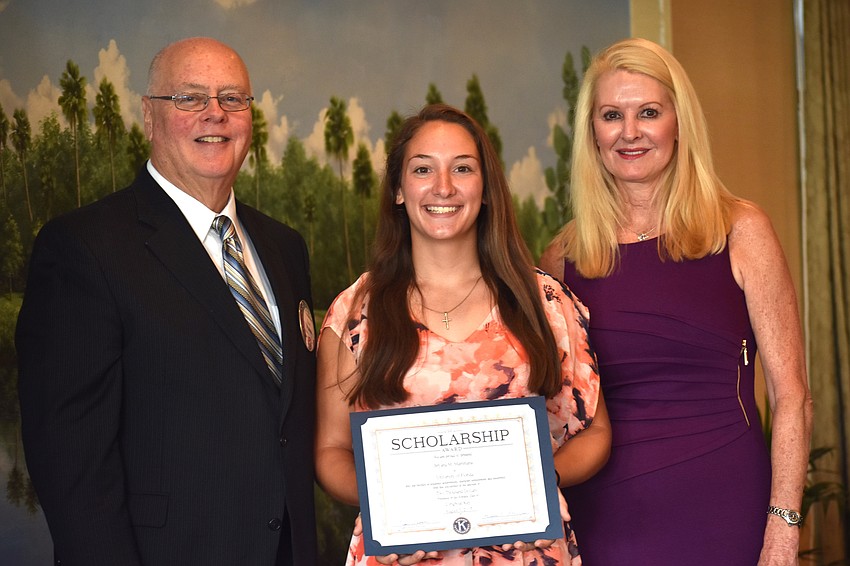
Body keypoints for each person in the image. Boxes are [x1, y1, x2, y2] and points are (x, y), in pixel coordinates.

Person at [16, 37, 318, 566]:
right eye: (189, 99)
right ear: (148, 117)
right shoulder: (84, 247)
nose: (215, 114)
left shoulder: (284, 247)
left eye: (233, 98)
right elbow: (71, 465)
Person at [539, 37, 813, 565]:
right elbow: (558, 409)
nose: (630, 132)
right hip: (604, 516)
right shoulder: (563, 257)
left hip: (725, 505)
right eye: (611, 115)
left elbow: (792, 396)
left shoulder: (741, 230)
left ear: (679, 122)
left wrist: (782, 531)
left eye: (648, 112)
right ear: (592, 133)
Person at [315, 103, 610, 566]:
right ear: (397, 189)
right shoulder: (354, 312)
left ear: (486, 188)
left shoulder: (544, 301)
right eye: (422, 169)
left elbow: (594, 434)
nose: (444, 187)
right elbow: (331, 453)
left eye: (463, 169)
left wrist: (528, 479)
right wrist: (391, 506)